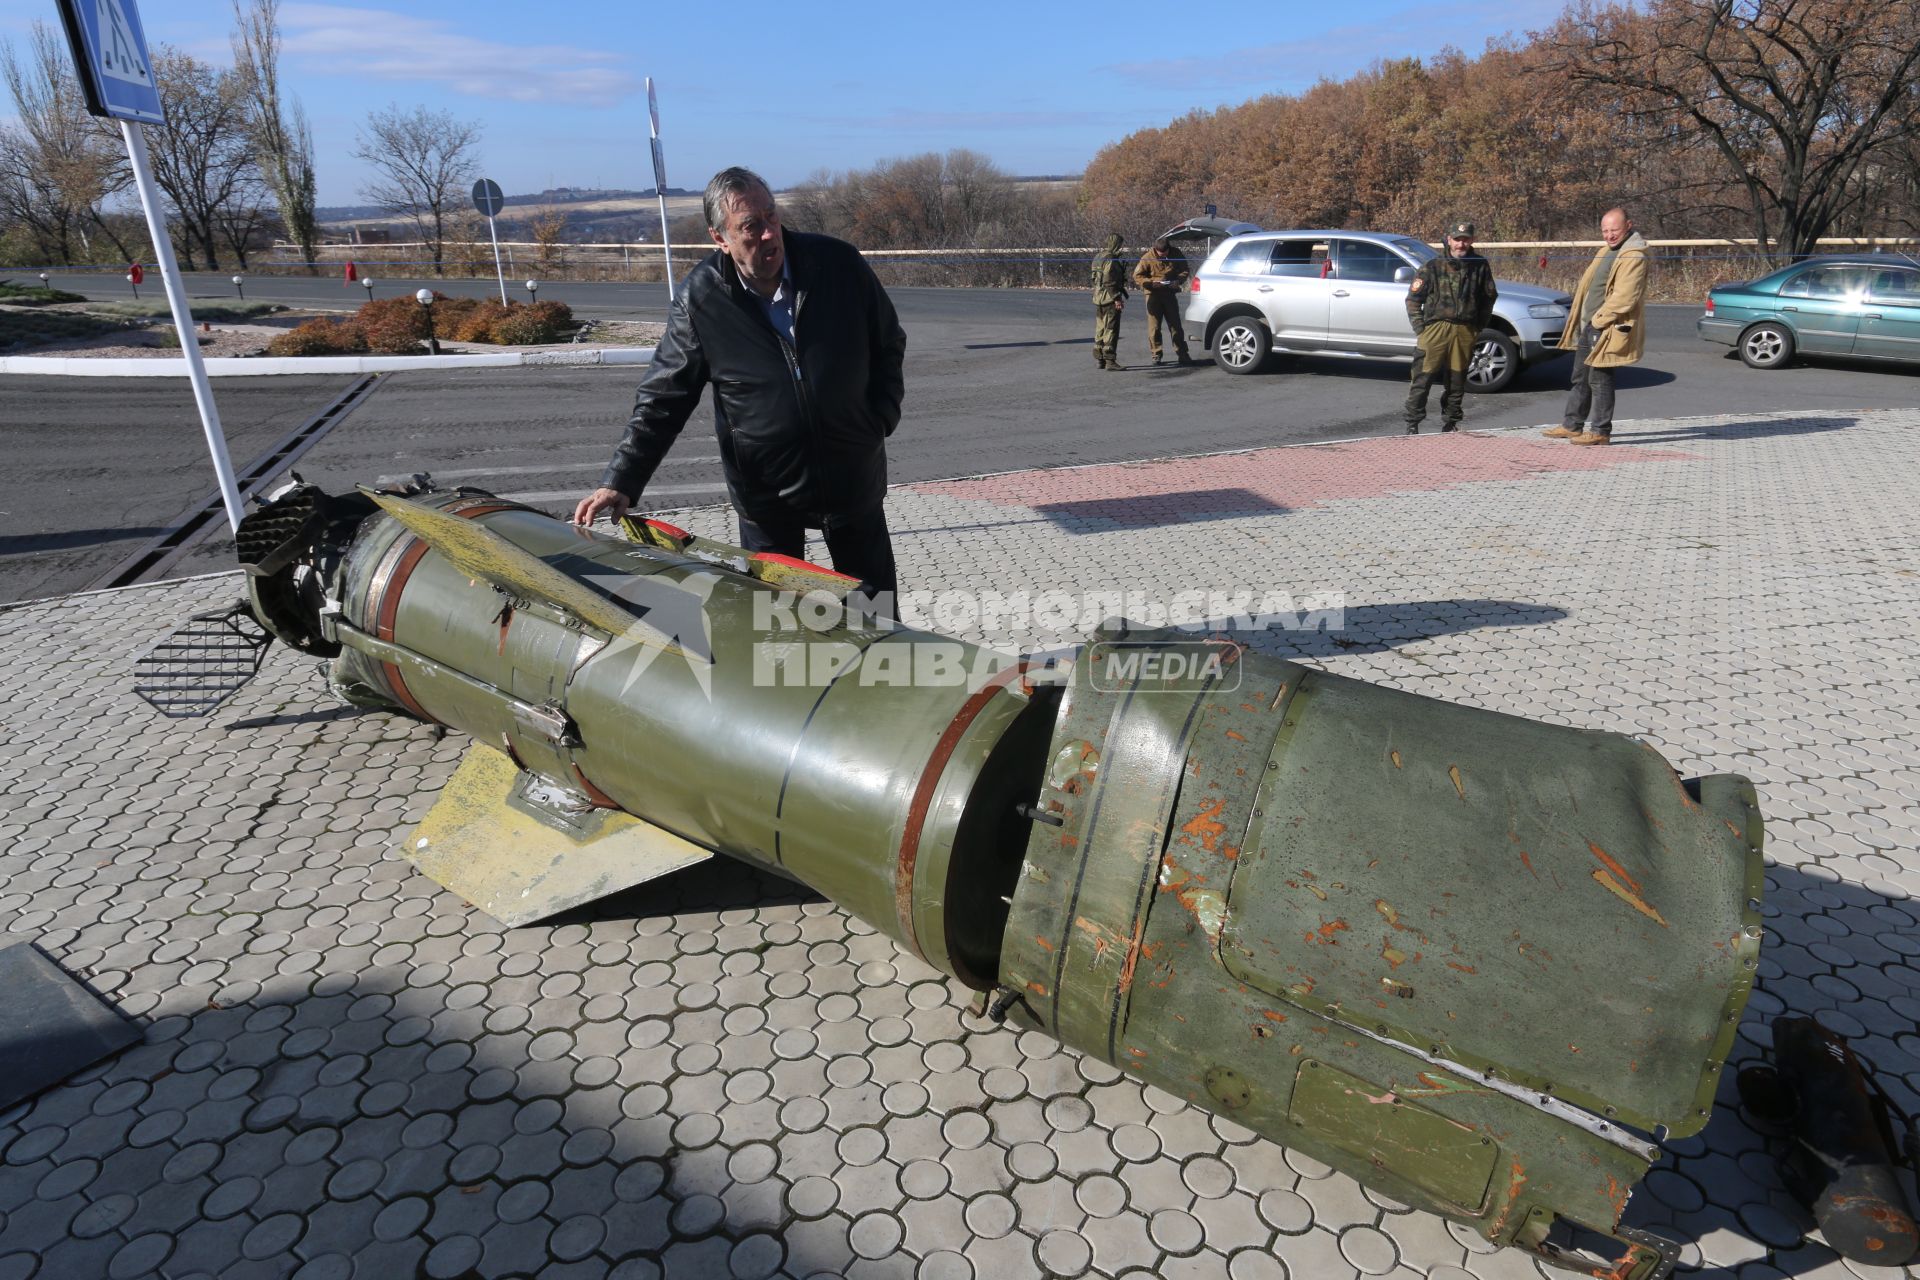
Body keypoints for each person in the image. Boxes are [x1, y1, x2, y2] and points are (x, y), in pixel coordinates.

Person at [573, 167, 907, 594]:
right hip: (767, 498)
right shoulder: (702, 300)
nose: (770, 234)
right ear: (720, 238)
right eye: (751, 226)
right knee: (776, 631)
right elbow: (664, 397)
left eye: (772, 217)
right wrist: (620, 480)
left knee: (875, 622)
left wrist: (878, 418)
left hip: (853, 479)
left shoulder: (838, 266)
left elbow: (888, 342)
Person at [1544, 208, 1648, 446]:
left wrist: (1599, 321)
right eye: (1605, 230)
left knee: (1600, 379)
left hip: (1607, 326)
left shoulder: (1634, 254)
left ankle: (1600, 431)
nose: (1609, 235)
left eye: (1615, 230)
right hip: (1589, 324)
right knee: (1579, 377)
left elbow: (1626, 296)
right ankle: (1572, 426)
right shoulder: (1605, 250)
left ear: (1629, 225)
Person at [1404, 220, 1498, 434]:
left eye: (1465, 240)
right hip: (1435, 330)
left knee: (1457, 380)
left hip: (1464, 330)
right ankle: (1412, 423)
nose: (1461, 245)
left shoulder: (1480, 265)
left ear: (1472, 241)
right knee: (1422, 378)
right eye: (1457, 240)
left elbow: (1489, 297)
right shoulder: (1432, 266)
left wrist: (1477, 327)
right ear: (1449, 240)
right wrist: (1421, 328)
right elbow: (1413, 299)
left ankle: (1451, 422)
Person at [1132, 237, 1194, 366]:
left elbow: (1185, 270)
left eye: (1165, 254)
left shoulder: (1176, 253)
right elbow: (1137, 276)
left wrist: (1178, 280)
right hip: (1153, 295)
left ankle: (1182, 353)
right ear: (1155, 250)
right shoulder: (1147, 257)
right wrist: (1150, 283)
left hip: (1169, 293)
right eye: (1161, 255)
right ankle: (1156, 354)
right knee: (1154, 328)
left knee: (1175, 326)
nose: (1163, 257)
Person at [1091, 233, 1128, 370]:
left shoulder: (1098, 256)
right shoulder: (1111, 259)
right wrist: (1117, 298)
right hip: (1109, 298)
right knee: (1111, 329)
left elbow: (1094, 278)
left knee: (1100, 328)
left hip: (1098, 298)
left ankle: (1099, 358)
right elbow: (1109, 281)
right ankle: (1110, 360)